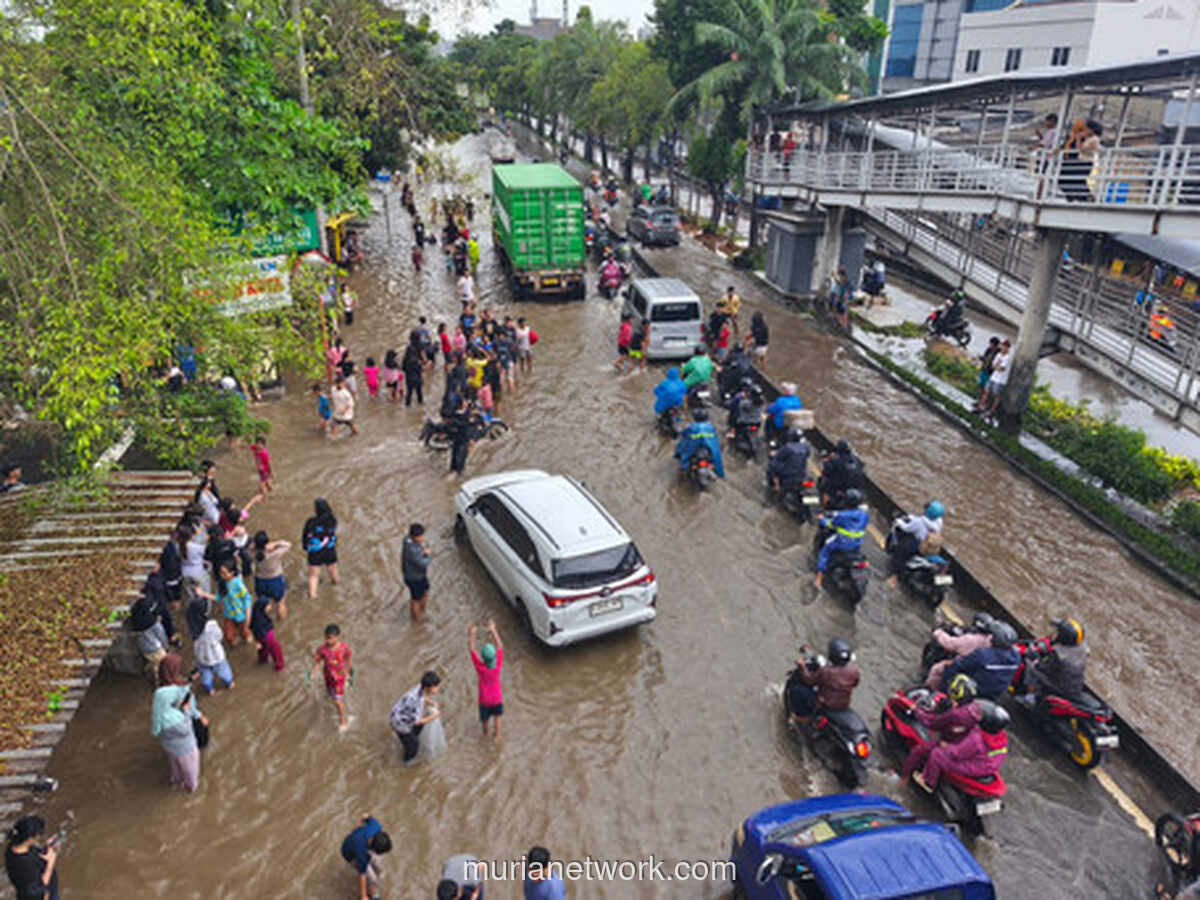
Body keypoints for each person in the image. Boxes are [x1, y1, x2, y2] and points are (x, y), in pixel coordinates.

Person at [902, 674, 983, 793]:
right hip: (963, 742)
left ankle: (905, 780)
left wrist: (917, 711)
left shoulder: (955, 715)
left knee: (917, 752)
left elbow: (932, 722)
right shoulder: (975, 709)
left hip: (949, 743)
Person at [150, 654, 207, 792]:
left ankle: (176, 780)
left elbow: (156, 720)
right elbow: (189, 709)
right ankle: (192, 787)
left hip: (167, 741)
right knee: (191, 766)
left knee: (175, 763)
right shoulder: (180, 690)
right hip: (183, 737)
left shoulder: (159, 693)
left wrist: (156, 731)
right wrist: (197, 716)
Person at [940, 620, 1020, 701]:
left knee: (948, 668)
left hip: (973, 689)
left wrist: (951, 665)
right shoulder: (1016, 657)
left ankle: (941, 695)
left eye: (993, 636)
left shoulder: (984, 655)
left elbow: (960, 664)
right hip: (993, 694)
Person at [786, 638, 860, 721]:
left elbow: (809, 680)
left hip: (824, 704)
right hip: (843, 705)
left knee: (797, 690)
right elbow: (855, 683)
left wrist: (802, 667)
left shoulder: (826, 671)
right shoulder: (854, 671)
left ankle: (803, 717)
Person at [1019, 616, 1089, 704]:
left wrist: (1037, 660)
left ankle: (1030, 697)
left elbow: (1045, 668)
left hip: (1059, 685)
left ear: (1064, 637)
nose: (1056, 633)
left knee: (1031, 667)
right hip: (1074, 684)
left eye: (1059, 632)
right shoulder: (1082, 648)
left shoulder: (1059, 654)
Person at [813, 489, 869, 589]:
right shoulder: (864, 515)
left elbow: (831, 524)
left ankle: (818, 579)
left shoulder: (842, 515)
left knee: (825, 551)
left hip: (841, 543)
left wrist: (822, 519)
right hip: (856, 544)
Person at [924, 613, 995, 691]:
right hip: (975, 670)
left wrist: (938, 633)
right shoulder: (990, 640)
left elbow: (949, 644)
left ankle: (929, 690)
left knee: (936, 670)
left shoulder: (971, 640)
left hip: (961, 666)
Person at [129, 567, 178, 680]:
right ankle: (162, 678)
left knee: (162, 647)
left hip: (153, 623)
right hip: (146, 630)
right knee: (159, 659)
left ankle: (161, 672)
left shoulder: (148, 588)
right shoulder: (135, 600)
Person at [888, 500, 945, 588]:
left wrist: (899, 522)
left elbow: (906, 528)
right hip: (930, 547)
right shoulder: (939, 522)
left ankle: (895, 575)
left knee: (900, 554)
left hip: (918, 545)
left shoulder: (919, 522)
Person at [390, 671, 442, 762]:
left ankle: (406, 741)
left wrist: (430, 702)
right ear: (429, 687)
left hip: (401, 716)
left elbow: (423, 697)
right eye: (436, 686)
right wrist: (434, 716)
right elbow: (417, 722)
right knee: (414, 747)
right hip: (399, 723)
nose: (438, 689)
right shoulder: (414, 700)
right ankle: (405, 765)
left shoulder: (420, 687)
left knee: (416, 733)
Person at [310, 623, 354, 732]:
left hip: (339, 678)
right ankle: (334, 699)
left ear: (338, 637)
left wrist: (348, 674)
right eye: (326, 638)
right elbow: (318, 662)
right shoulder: (322, 649)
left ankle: (344, 721)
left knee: (338, 701)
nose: (328, 641)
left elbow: (348, 660)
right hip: (328, 676)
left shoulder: (344, 648)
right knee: (329, 693)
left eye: (330, 638)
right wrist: (313, 673)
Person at [5, 815, 60, 900]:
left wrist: (46, 848)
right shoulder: (25, 864)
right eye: (40, 834)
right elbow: (37, 891)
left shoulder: (14, 847)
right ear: (30, 838)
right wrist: (50, 864)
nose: (40, 836)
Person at [340, 815, 392, 900]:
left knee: (379, 869)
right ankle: (373, 894)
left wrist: (363, 818)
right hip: (349, 853)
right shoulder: (361, 851)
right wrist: (363, 896)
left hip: (360, 842)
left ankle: (372, 885)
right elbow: (362, 874)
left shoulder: (377, 827)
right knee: (372, 877)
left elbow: (367, 816)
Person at [469, 620, 504, 740]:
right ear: (494, 657)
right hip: (497, 698)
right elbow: (500, 646)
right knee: (498, 720)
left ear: (483, 658)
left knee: (484, 722)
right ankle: (497, 737)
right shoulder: (498, 666)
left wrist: (472, 634)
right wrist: (493, 630)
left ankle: (485, 735)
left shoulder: (480, 668)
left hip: (484, 700)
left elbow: (472, 650)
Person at [302, 498, 340, 601]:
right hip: (329, 549)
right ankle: (336, 584)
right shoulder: (333, 520)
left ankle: (312, 596)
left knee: (313, 576)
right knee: (332, 569)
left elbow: (305, 535)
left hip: (315, 551)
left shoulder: (310, 522)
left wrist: (305, 546)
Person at [673, 407, 725, 479]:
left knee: (683, 451)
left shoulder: (692, 427)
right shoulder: (711, 427)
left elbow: (684, 434)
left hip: (695, 450)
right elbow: (715, 439)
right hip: (708, 449)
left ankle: (684, 467)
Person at [818, 439, 865, 508]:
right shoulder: (856, 459)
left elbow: (826, 472)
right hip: (856, 488)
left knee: (822, 485)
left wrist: (827, 461)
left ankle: (824, 507)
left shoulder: (836, 460)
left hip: (838, 488)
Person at [250, 583, 285, 672]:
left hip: (261, 638)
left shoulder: (256, 616)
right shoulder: (261, 620)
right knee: (276, 652)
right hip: (268, 637)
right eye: (268, 605)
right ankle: (279, 667)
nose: (270, 607)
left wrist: (257, 641)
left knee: (263, 651)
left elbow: (252, 629)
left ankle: (263, 661)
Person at [767, 428, 810, 495]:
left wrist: (773, 455)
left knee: (772, 468)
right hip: (801, 473)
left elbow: (778, 458)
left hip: (788, 474)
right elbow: (807, 455)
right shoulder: (806, 446)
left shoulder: (788, 447)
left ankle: (776, 486)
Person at [403, 523, 432, 621]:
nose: (423, 538)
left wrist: (422, 551)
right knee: (415, 599)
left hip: (413, 575)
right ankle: (416, 619)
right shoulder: (412, 550)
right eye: (421, 536)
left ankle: (421, 611)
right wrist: (428, 554)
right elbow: (423, 563)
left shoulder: (407, 540)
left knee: (424, 592)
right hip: (415, 578)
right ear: (415, 537)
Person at [981, 339, 1011, 418]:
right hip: (993, 377)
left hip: (1000, 380)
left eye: (1004, 347)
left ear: (1007, 348)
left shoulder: (1008, 358)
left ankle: (991, 411)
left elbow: (1001, 369)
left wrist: (997, 366)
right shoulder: (999, 355)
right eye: (1002, 346)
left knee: (996, 396)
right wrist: (997, 366)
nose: (1003, 348)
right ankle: (982, 406)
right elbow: (993, 366)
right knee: (986, 391)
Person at [971, 337, 1002, 413]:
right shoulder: (988, 350)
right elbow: (984, 358)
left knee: (986, 390)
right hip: (984, 371)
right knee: (981, 386)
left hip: (990, 374)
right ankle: (979, 401)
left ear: (995, 345)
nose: (990, 345)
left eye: (991, 344)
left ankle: (983, 405)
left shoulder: (998, 353)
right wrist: (980, 358)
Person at [402, 333, 426, 407]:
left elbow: (404, 361)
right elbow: (424, 359)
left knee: (409, 391)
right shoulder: (420, 347)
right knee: (419, 390)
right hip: (417, 370)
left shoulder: (408, 348)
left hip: (409, 371)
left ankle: (407, 405)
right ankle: (420, 404)